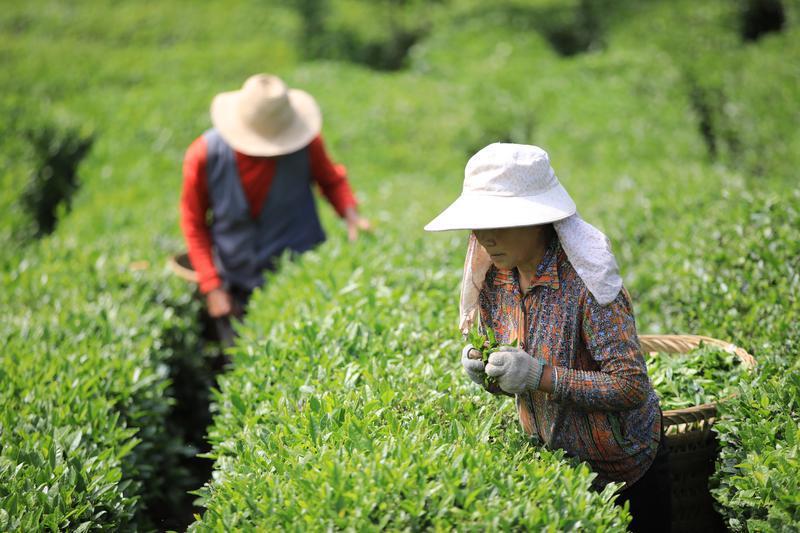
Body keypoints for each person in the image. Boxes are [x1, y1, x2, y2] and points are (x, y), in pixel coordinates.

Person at [424, 143, 671, 532]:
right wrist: (488, 372)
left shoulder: (587, 285)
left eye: (499, 221)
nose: (485, 237)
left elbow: (631, 387)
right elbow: (515, 378)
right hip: (555, 467)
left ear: (538, 219)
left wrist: (541, 376)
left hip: (623, 467)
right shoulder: (496, 280)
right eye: (478, 223)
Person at [180, 73, 370, 347]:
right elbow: (193, 221)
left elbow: (331, 180)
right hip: (235, 277)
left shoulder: (306, 144)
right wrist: (212, 286)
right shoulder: (205, 155)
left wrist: (352, 216)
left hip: (299, 277)